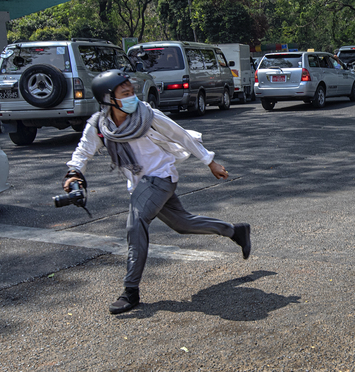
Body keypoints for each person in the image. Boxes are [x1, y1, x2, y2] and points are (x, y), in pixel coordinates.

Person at [63, 69, 252, 314]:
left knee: (136, 223)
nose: (132, 96)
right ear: (108, 99)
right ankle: (235, 231)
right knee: (183, 224)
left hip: (161, 177)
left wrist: (210, 161)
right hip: (139, 185)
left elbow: (180, 135)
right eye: (125, 93)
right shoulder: (101, 125)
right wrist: (73, 173)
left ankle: (130, 290)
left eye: (132, 91)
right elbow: (83, 151)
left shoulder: (147, 115)